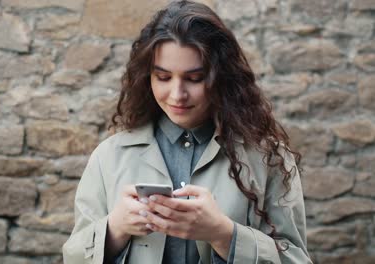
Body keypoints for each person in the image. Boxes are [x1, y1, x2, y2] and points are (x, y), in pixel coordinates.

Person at [63, 1, 312, 263]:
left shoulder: (268, 159)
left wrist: (223, 234)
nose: (177, 95)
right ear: (147, 77)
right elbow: (73, 257)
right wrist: (115, 229)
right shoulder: (108, 157)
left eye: (194, 78)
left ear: (221, 76)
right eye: (163, 77)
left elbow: (297, 259)